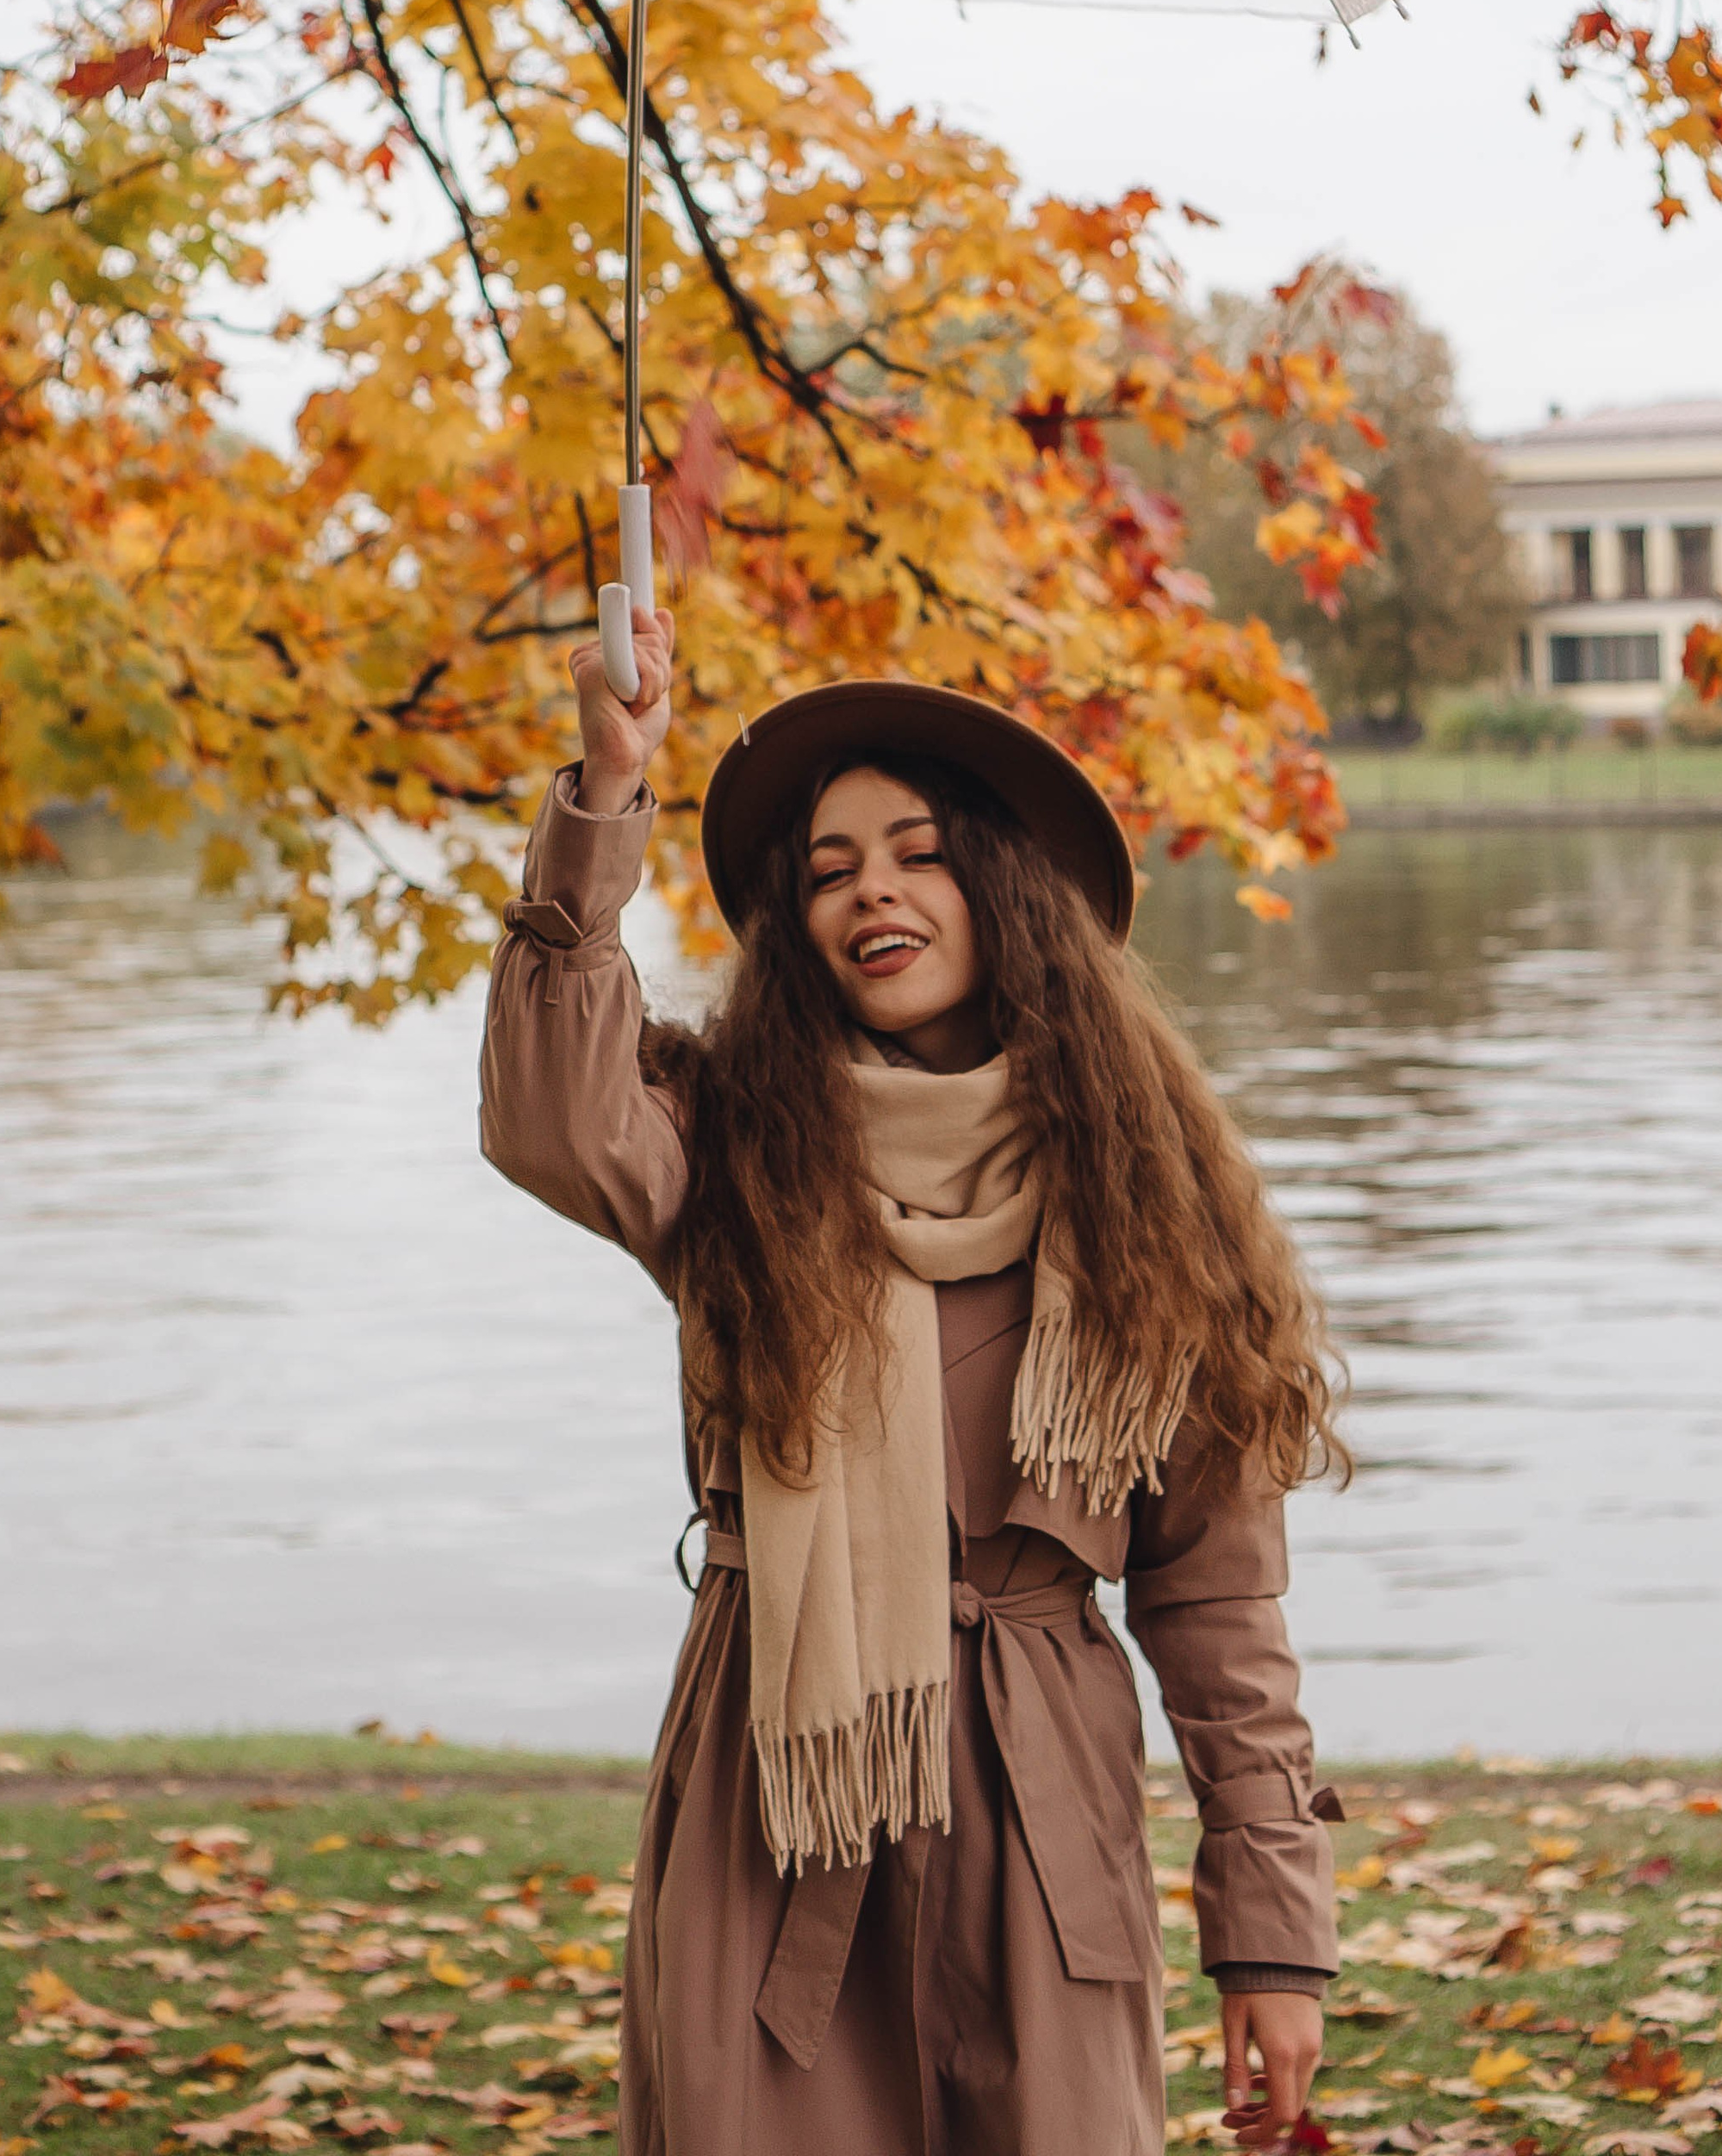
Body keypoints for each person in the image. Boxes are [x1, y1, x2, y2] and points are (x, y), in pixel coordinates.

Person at [480, 605, 1345, 2156]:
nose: (870, 889)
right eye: (828, 871)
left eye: (916, 853)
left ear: (1003, 887)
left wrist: (1272, 1936)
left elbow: (1218, 1604)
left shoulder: (1150, 1196)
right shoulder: (732, 1145)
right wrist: (605, 792)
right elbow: (552, 1111)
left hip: (1044, 1808)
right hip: (779, 1795)